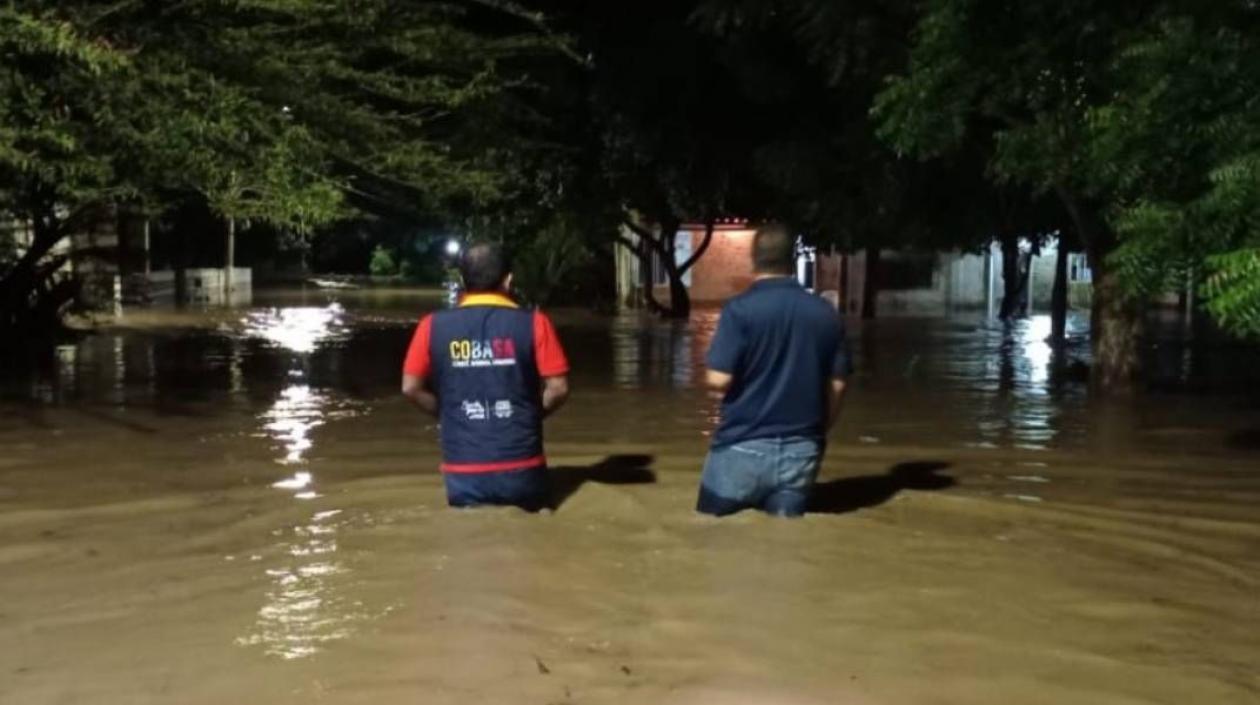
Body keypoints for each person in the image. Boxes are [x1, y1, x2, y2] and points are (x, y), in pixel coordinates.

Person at [698, 224, 853, 517]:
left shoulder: (739, 310)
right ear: (791, 260)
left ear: (753, 259)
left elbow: (718, 380)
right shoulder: (825, 313)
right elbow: (839, 384)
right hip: (802, 451)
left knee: (708, 538)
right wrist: (819, 431)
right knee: (786, 541)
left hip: (741, 447)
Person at [401, 242, 570, 511]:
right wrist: (529, 414)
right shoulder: (536, 323)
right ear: (509, 280)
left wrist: (448, 413)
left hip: (462, 475)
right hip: (524, 471)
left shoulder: (431, 326)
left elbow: (410, 388)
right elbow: (558, 388)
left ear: (462, 280)